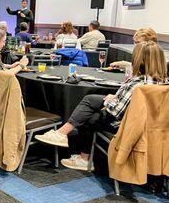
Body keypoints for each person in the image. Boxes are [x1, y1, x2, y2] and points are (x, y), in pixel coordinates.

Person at [35, 41, 167, 171]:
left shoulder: (137, 83)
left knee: (90, 113)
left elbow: (116, 111)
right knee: (91, 103)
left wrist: (107, 101)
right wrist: (114, 98)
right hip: (151, 127)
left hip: (126, 125)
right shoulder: (164, 83)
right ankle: (75, 149)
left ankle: (71, 144)